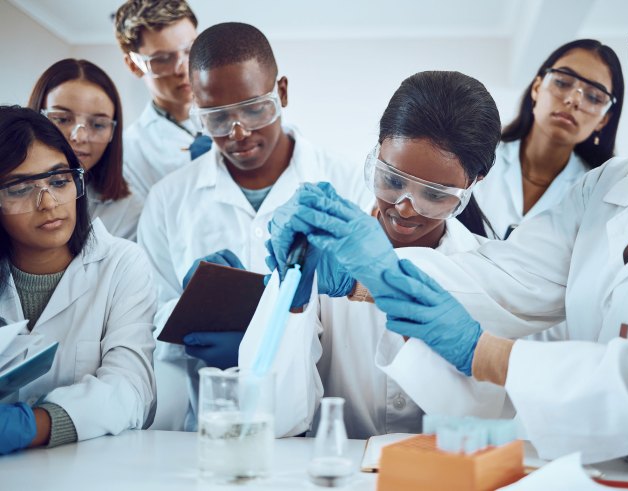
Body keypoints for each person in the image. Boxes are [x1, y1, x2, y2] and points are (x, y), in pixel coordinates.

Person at [265, 0, 628, 488]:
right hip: (595, 473)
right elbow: (508, 280)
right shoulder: (611, 186)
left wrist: (484, 353)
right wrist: (366, 275)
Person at [136, 22, 371, 432]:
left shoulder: (348, 183)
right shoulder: (168, 200)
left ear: (281, 92)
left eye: (253, 108)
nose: (238, 132)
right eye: (217, 118)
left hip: (320, 424)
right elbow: (150, 316)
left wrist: (267, 337)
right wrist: (189, 309)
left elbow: (361, 315)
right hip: (207, 422)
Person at [243, 71, 505, 439]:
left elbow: (489, 420)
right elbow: (268, 416)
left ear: (473, 184)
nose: (406, 208)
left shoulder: (491, 274)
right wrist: (292, 303)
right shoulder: (322, 250)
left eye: (433, 195)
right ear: (377, 151)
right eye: (392, 181)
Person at [0, 106, 156, 455]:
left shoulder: (122, 265)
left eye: (59, 181)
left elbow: (131, 391)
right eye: (19, 188)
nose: (49, 203)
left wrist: (31, 426)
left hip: (89, 470)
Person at [469, 39, 623, 239]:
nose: (573, 100)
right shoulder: (478, 152)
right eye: (562, 82)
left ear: (604, 119)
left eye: (593, 97)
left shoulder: (596, 194)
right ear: (536, 88)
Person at [28, 59, 143, 241]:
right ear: (34, 117)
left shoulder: (130, 211)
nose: (79, 137)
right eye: (62, 119)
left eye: (98, 124)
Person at [114, 0, 208, 198]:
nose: (183, 69)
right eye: (163, 59)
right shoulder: (128, 152)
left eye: (190, 50)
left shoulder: (239, 113)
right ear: (133, 65)